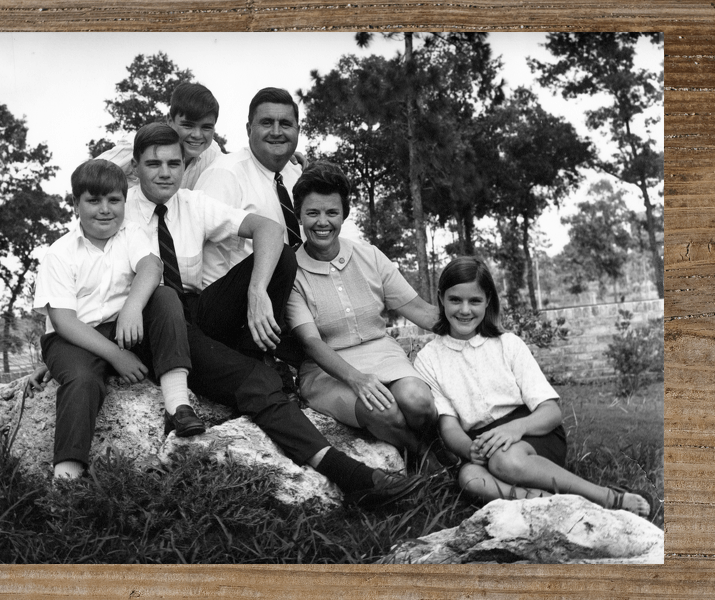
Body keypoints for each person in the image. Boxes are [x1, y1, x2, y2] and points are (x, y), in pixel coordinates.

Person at [39, 122, 422, 507]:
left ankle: (257, 350)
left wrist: (257, 293)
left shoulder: (191, 203)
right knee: (250, 379)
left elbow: (268, 228)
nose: (165, 172)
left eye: (174, 163)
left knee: (282, 256)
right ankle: (351, 475)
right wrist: (61, 352)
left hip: (191, 315)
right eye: (153, 164)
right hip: (145, 329)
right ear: (134, 167)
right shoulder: (120, 212)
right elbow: (82, 282)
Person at [413, 256, 652, 518]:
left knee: (507, 460)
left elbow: (551, 412)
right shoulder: (429, 358)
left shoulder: (508, 344)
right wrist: (468, 449)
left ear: (488, 300)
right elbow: (448, 425)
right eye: (455, 300)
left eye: (475, 301)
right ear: (441, 298)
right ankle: (546, 502)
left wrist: (515, 429)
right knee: (470, 478)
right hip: (483, 444)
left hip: (533, 432)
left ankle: (606, 496)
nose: (465, 310)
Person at [32, 159, 200, 480]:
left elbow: (152, 267)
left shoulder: (130, 233)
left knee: (164, 297)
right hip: (72, 338)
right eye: (93, 201)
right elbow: (64, 320)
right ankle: (67, 477)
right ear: (76, 205)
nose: (105, 210)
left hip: (120, 326)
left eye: (114, 200)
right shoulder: (60, 253)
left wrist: (133, 307)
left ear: (125, 201)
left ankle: (178, 405)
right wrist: (116, 355)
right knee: (82, 379)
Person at [285, 162, 447, 469]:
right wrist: (357, 380)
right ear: (299, 215)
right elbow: (311, 343)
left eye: (331, 212)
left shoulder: (369, 255)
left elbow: (422, 312)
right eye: (312, 213)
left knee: (418, 401)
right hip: (327, 369)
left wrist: (479, 324)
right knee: (383, 411)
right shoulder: (291, 270)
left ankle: (440, 448)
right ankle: (431, 463)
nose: (323, 222)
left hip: (381, 353)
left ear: (344, 214)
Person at [195, 87, 305, 288]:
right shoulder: (226, 174)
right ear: (249, 129)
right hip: (238, 301)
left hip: (298, 295)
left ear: (298, 130)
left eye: (286, 124)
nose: (276, 132)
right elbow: (203, 251)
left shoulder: (297, 175)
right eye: (266, 123)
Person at [96, 82, 223, 191]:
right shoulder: (138, 145)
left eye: (206, 127)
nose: (197, 135)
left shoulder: (213, 154)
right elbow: (89, 175)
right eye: (188, 125)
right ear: (170, 120)